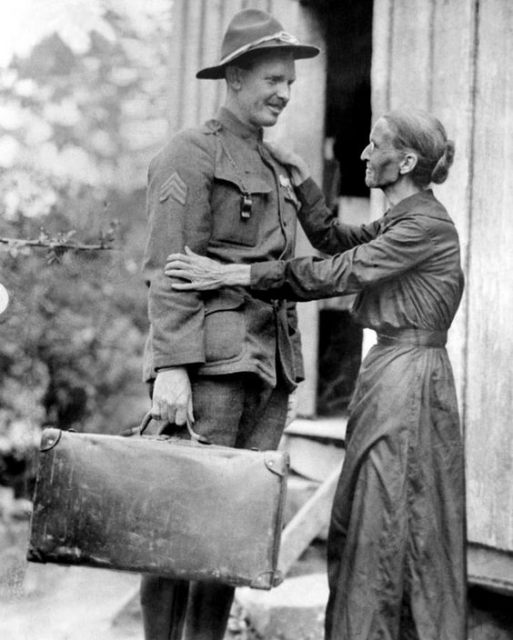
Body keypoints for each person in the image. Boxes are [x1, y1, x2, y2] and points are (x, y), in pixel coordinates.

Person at [165, 109, 467, 640]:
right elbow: (333, 239)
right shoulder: (401, 220)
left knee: (393, 511)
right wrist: (300, 175)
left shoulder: (425, 226)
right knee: (370, 510)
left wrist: (233, 273)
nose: (365, 155)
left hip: (412, 381)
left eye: (376, 147)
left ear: (406, 162)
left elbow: (336, 272)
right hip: (391, 373)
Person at [140, 8, 319, 640]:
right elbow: (166, 266)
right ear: (236, 77)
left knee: (230, 529)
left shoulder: (277, 164)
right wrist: (171, 369)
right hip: (210, 368)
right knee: (177, 518)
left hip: (269, 368)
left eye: (290, 83)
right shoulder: (189, 153)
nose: (284, 92)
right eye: (273, 78)